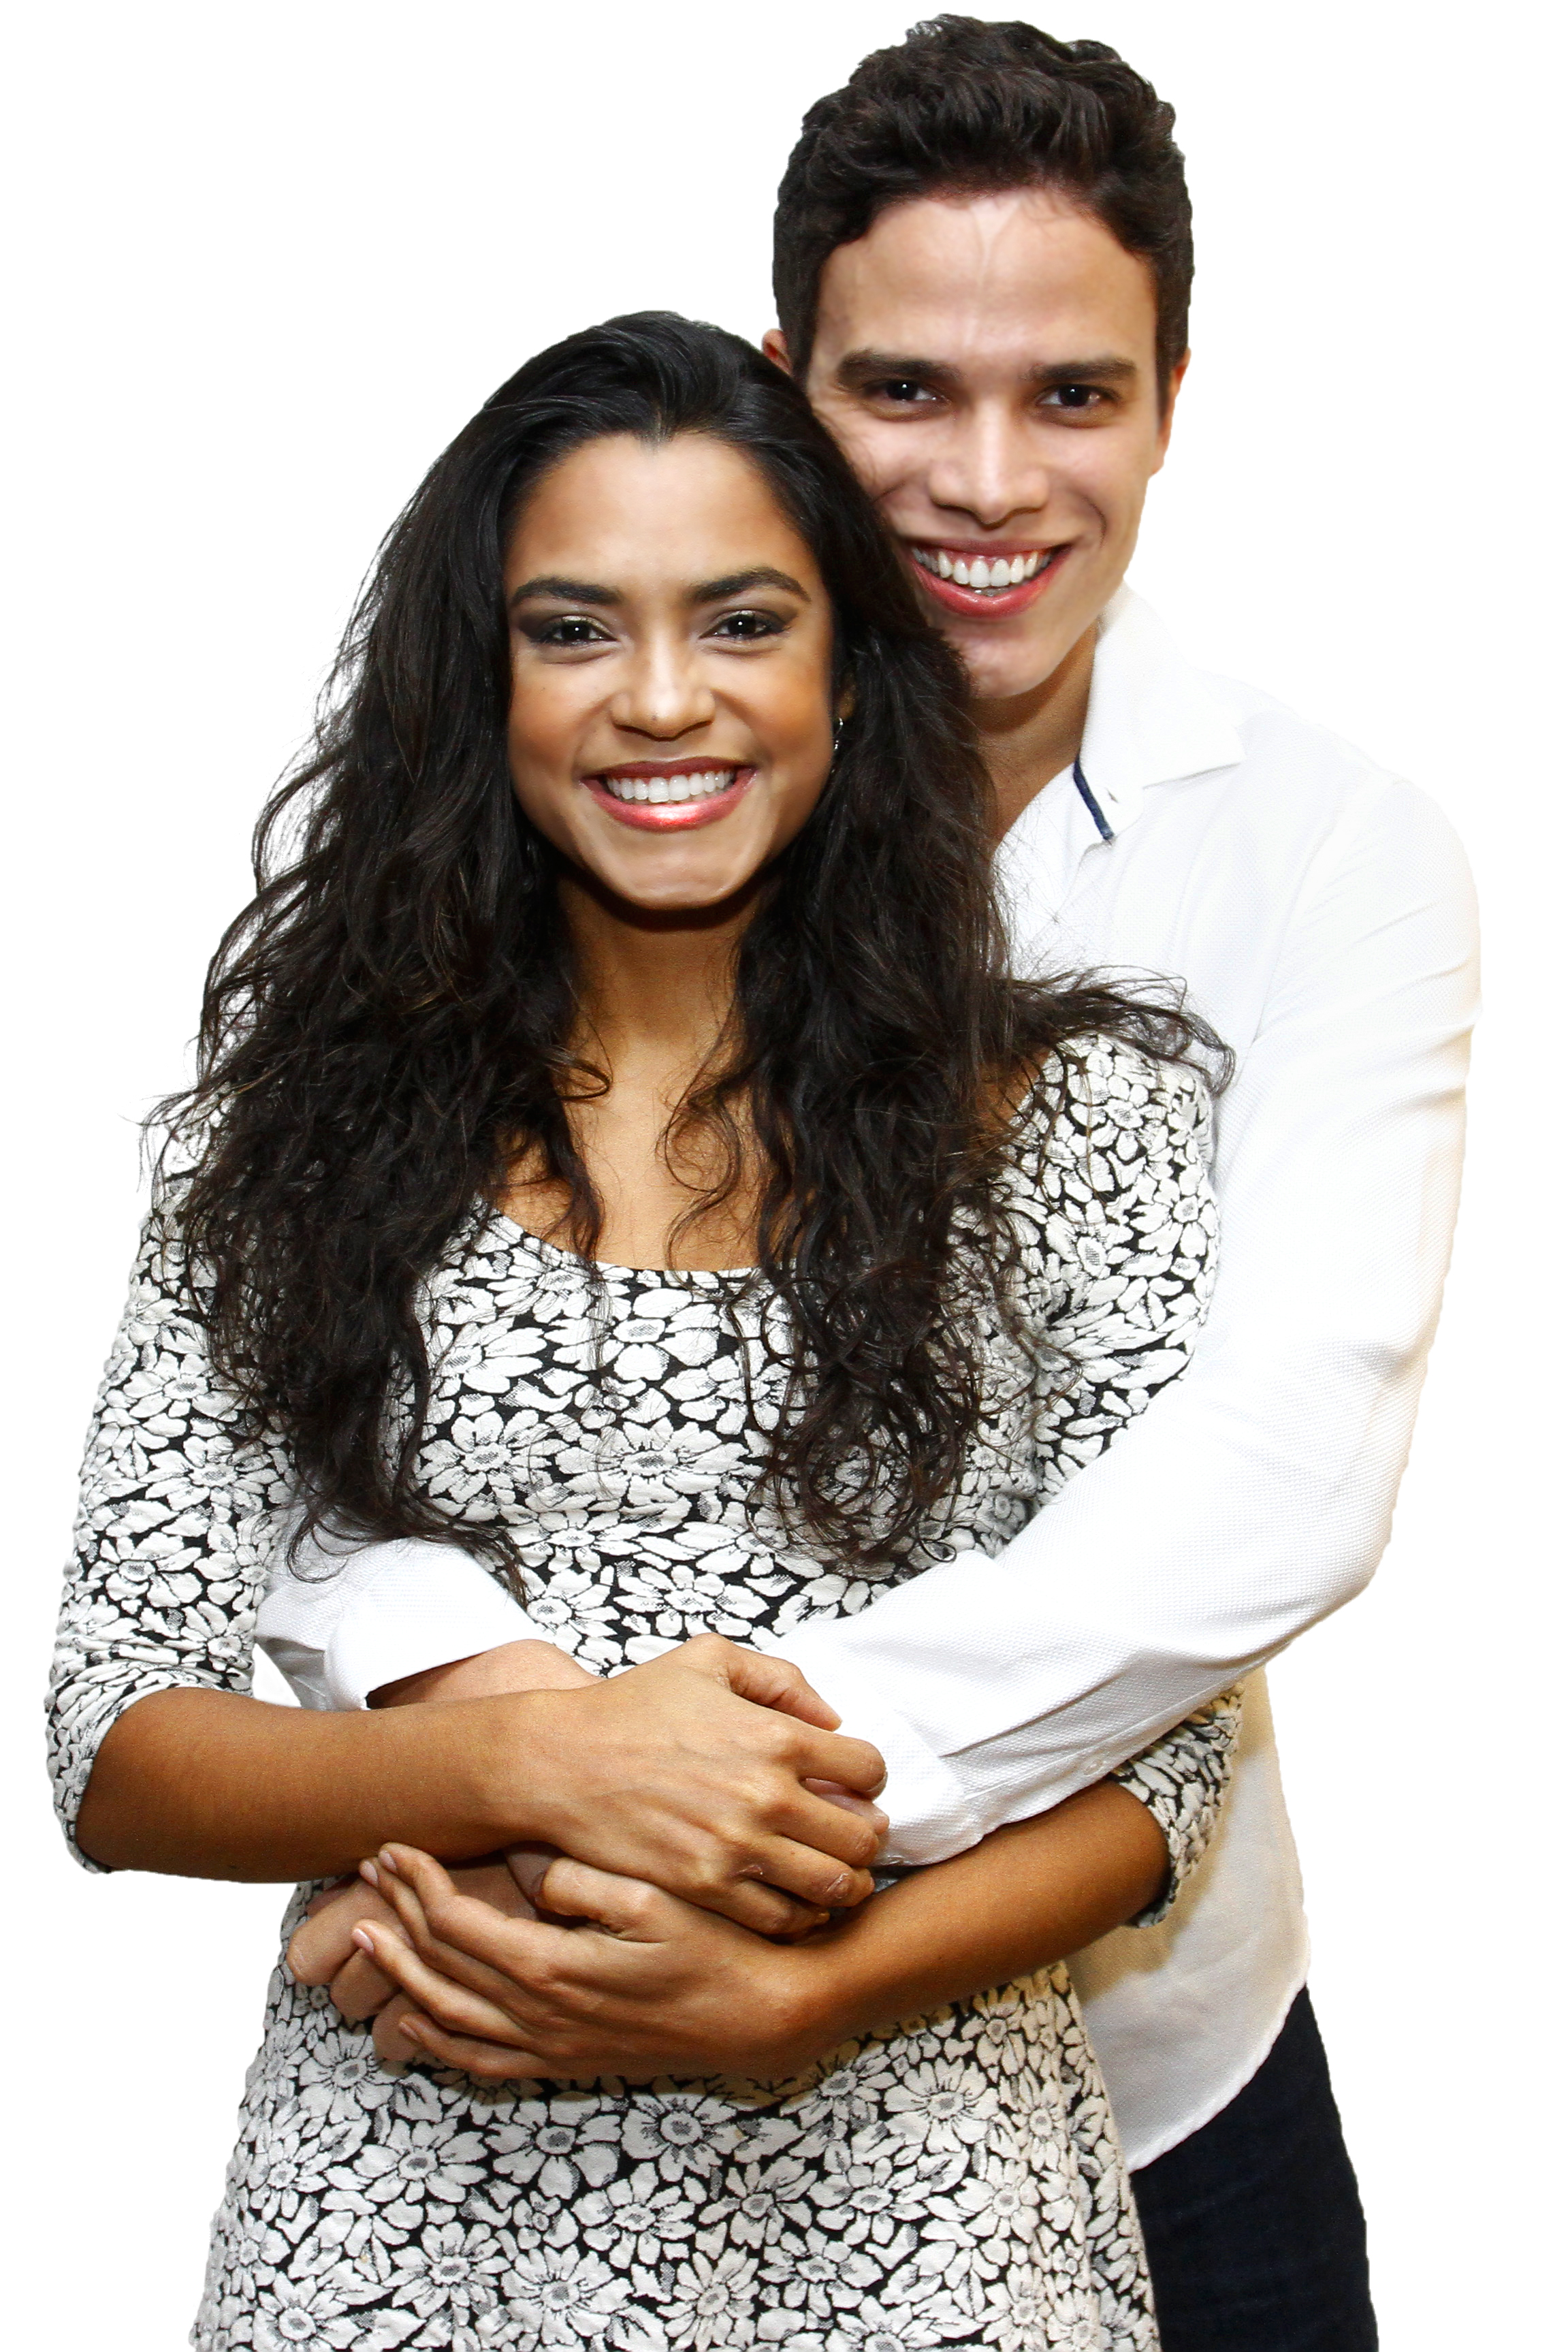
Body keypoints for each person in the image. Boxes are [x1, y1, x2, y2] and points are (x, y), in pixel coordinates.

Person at [274, 22, 1479, 2349]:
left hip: (1153, 2080)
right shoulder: (579, 784)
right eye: (903, 390)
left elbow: (1282, 1472)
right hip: (549, 2062)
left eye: (1074, 395)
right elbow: (323, 1385)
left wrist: (697, 1807)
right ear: (780, 384)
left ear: (1176, 400)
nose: (987, 481)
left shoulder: (1335, 854)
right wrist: (521, 1743)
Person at [50, 312, 1241, 2349]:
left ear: (849, 672)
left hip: (929, 2243)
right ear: (482, 683)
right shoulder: (298, 1150)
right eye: (575, 629)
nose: (664, 698)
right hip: (407, 2244)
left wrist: (801, 1995)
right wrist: (547, 1761)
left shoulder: (1075, 1125)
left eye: (743, 621)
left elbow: (1174, 1745)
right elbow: (117, 1740)